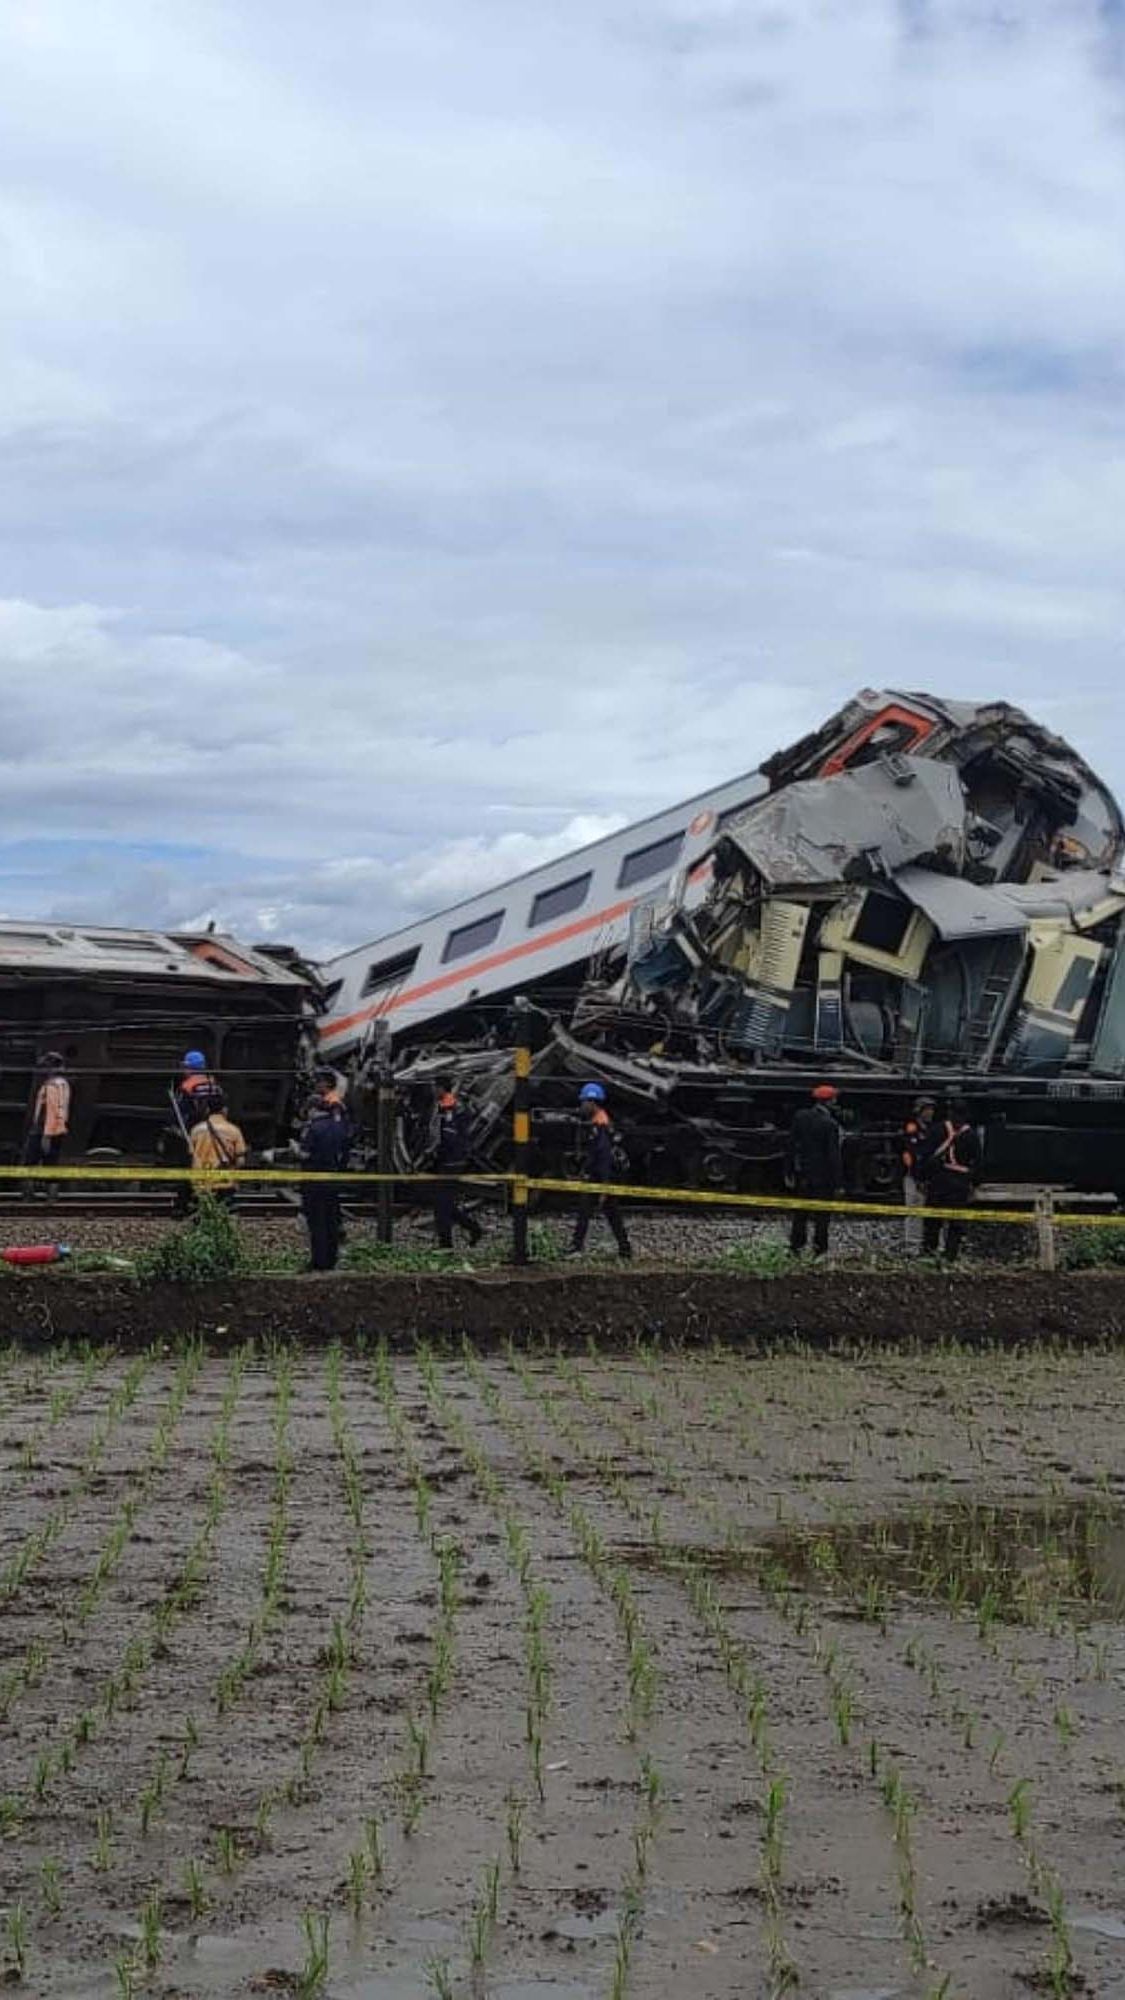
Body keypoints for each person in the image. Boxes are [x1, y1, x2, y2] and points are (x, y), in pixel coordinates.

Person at [569, 1083, 632, 1260]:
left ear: (592, 1102)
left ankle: (576, 1248)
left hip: (600, 1178)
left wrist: (604, 1185)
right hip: (600, 1177)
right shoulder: (600, 1121)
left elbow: (603, 1157)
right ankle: (625, 1249)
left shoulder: (600, 1126)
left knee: (586, 1211)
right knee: (612, 1214)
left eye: (584, 1102)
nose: (581, 1105)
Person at [299, 1074, 353, 1271]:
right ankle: (331, 1259)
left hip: (314, 1180)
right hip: (334, 1176)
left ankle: (319, 1261)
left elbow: (305, 1154)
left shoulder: (315, 1127)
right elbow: (346, 1145)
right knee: (331, 1218)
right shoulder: (338, 1124)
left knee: (317, 1221)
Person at [920, 1099, 981, 1261]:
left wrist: (924, 1178)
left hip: (939, 1179)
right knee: (955, 1222)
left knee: (933, 1220)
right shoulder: (972, 1135)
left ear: (949, 1113)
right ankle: (950, 1256)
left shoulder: (937, 1130)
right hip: (960, 1182)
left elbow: (926, 1155)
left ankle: (928, 1253)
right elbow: (978, 1162)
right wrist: (974, 1184)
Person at [786, 1084, 843, 1256]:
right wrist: (838, 1182)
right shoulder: (830, 1124)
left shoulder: (800, 1117)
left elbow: (791, 1145)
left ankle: (796, 1247)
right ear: (830, 1101)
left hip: (803, 1173)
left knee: (800, 1213)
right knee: (822, 1215)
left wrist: (788, 1170)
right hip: (823, 1177)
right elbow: (834, 1156)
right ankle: (820, 1249)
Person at [433, 1078, 482, 1249]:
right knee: (444, 1203)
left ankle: (446, 1244)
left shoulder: (452, 1109)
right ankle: (472, 1228)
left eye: (435, 1087)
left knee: (442, 1204)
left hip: (450, 1162)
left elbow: (451, 1138)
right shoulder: (442, 1107)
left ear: (441, 1088)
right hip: (446, 1162)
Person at [187, 1091, 248, 1207]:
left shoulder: (196, 1130)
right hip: (224, 1182)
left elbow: (191, 1154)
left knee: (201, 1212)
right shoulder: (234, 1130)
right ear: (224, 1110)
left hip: (201, 1181)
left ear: (207, 1110)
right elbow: (241, 1161)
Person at [24, 1052, 71, 1195]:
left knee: (33, 1161)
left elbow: (53, 1110)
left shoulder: (54, 1086)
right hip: (53, 1129)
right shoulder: (60, 1084)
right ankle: (49, 1195)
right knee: (51, 1162)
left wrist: (46, 1134)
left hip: (46, 1130)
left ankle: (31, 1195)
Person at [901, 1096, 938, 1252]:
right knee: (914, 1210)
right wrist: (917, 1177)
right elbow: (911, 1154)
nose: (931, 1112)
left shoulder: (931, 1129)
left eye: (931, 1109)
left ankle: (928, 1243)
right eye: (927, 1109)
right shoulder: (912, 1128)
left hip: (928, 1175)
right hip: (914, 1175)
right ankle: (912, 1244)